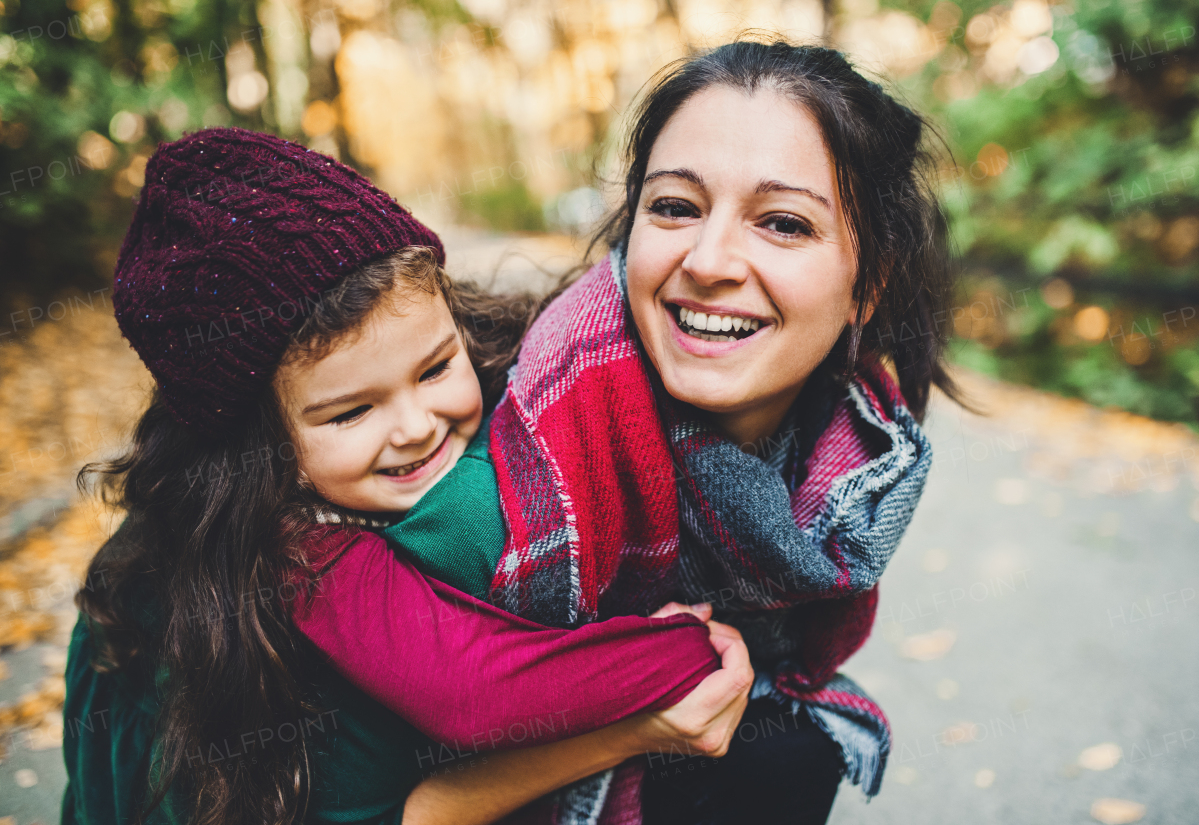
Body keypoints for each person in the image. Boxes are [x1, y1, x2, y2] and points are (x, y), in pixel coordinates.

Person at [305, 39, 959, 825]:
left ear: (869, 286)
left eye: (783, 223)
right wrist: (631, 721)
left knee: (790, 744)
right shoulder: (481, 496)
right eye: (676, 206)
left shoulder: (855, 449)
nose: (710, 261)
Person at [61, 128, 753, 825]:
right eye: (351, 413)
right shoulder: (294, 556)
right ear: (257, 447)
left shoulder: (499, 415)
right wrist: (676, 660)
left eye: (435, 368)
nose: (416, 426)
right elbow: (474, 689)